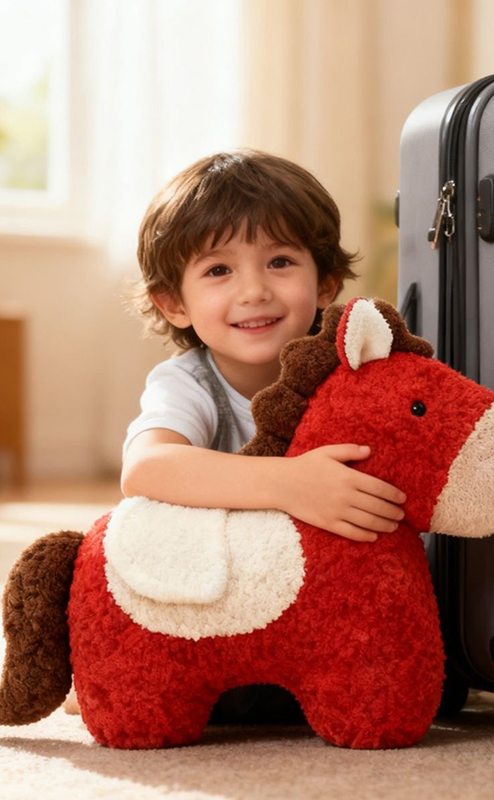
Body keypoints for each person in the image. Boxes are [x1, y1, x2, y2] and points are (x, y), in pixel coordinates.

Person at [120, 150, 408, 722]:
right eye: (218, 271)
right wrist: (289, 484)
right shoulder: (189, 382)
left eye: (279, 262)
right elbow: (146, 468)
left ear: (325, 282)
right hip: (223, 595)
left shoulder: (355, 367)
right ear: (174, 303)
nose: (254, 291)